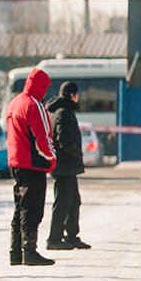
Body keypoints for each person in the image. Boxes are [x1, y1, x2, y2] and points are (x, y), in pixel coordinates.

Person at [5, 67, 56, 266]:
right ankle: (30, 251)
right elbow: (42, 138)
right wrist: (51, 159)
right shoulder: (34, 105)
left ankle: (15, 251)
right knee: (33, 209)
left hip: (15, 161)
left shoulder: (14, 102)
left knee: (20, 207)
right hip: (33, 163)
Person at [46, 80, 91, 251]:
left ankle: (71, 236)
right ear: (73, 95)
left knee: (73, 201)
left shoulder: (62, 110)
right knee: (63, 202)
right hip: (64, 166)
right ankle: (54, 238)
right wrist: (76, 153)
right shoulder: (64, 112)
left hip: (66, 166)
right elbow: (63, 139)